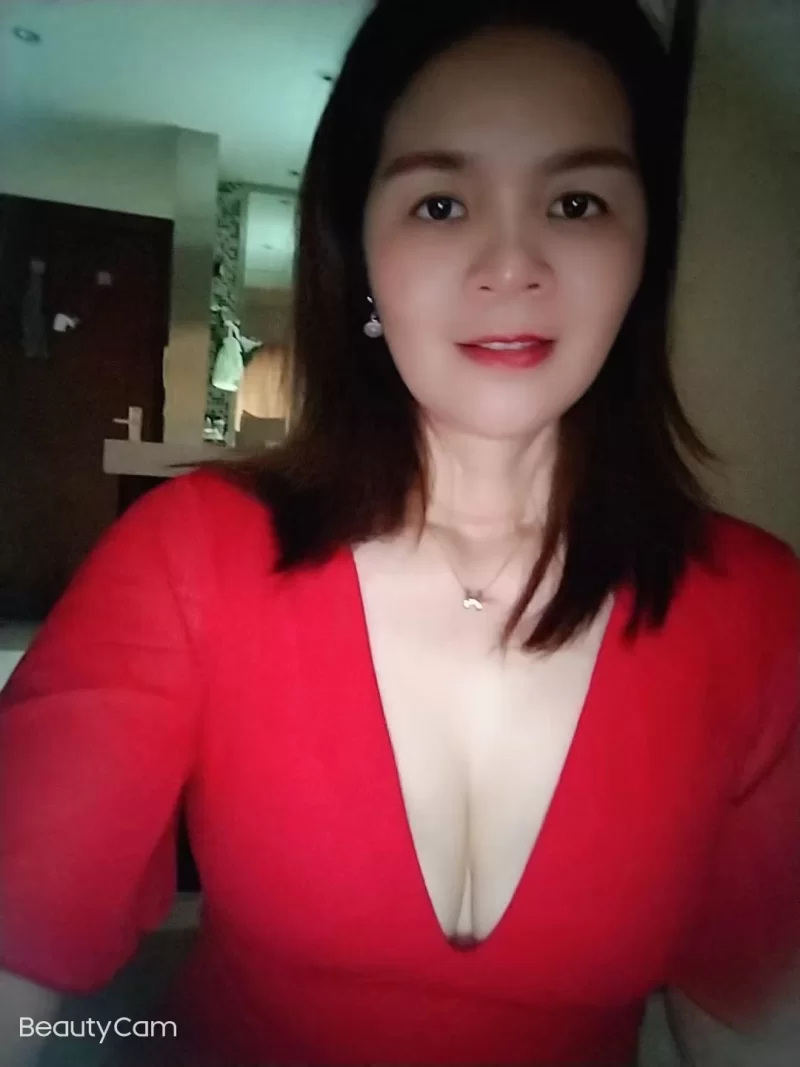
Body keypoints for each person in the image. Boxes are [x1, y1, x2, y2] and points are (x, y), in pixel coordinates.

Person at [1, 1, 798, 1064]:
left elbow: (747, 1018)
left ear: (642, 249)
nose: (509, 264)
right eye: (439, 203)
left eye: (574, 201)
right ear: (360, 251)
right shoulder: (190, 554)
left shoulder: (756, 609)